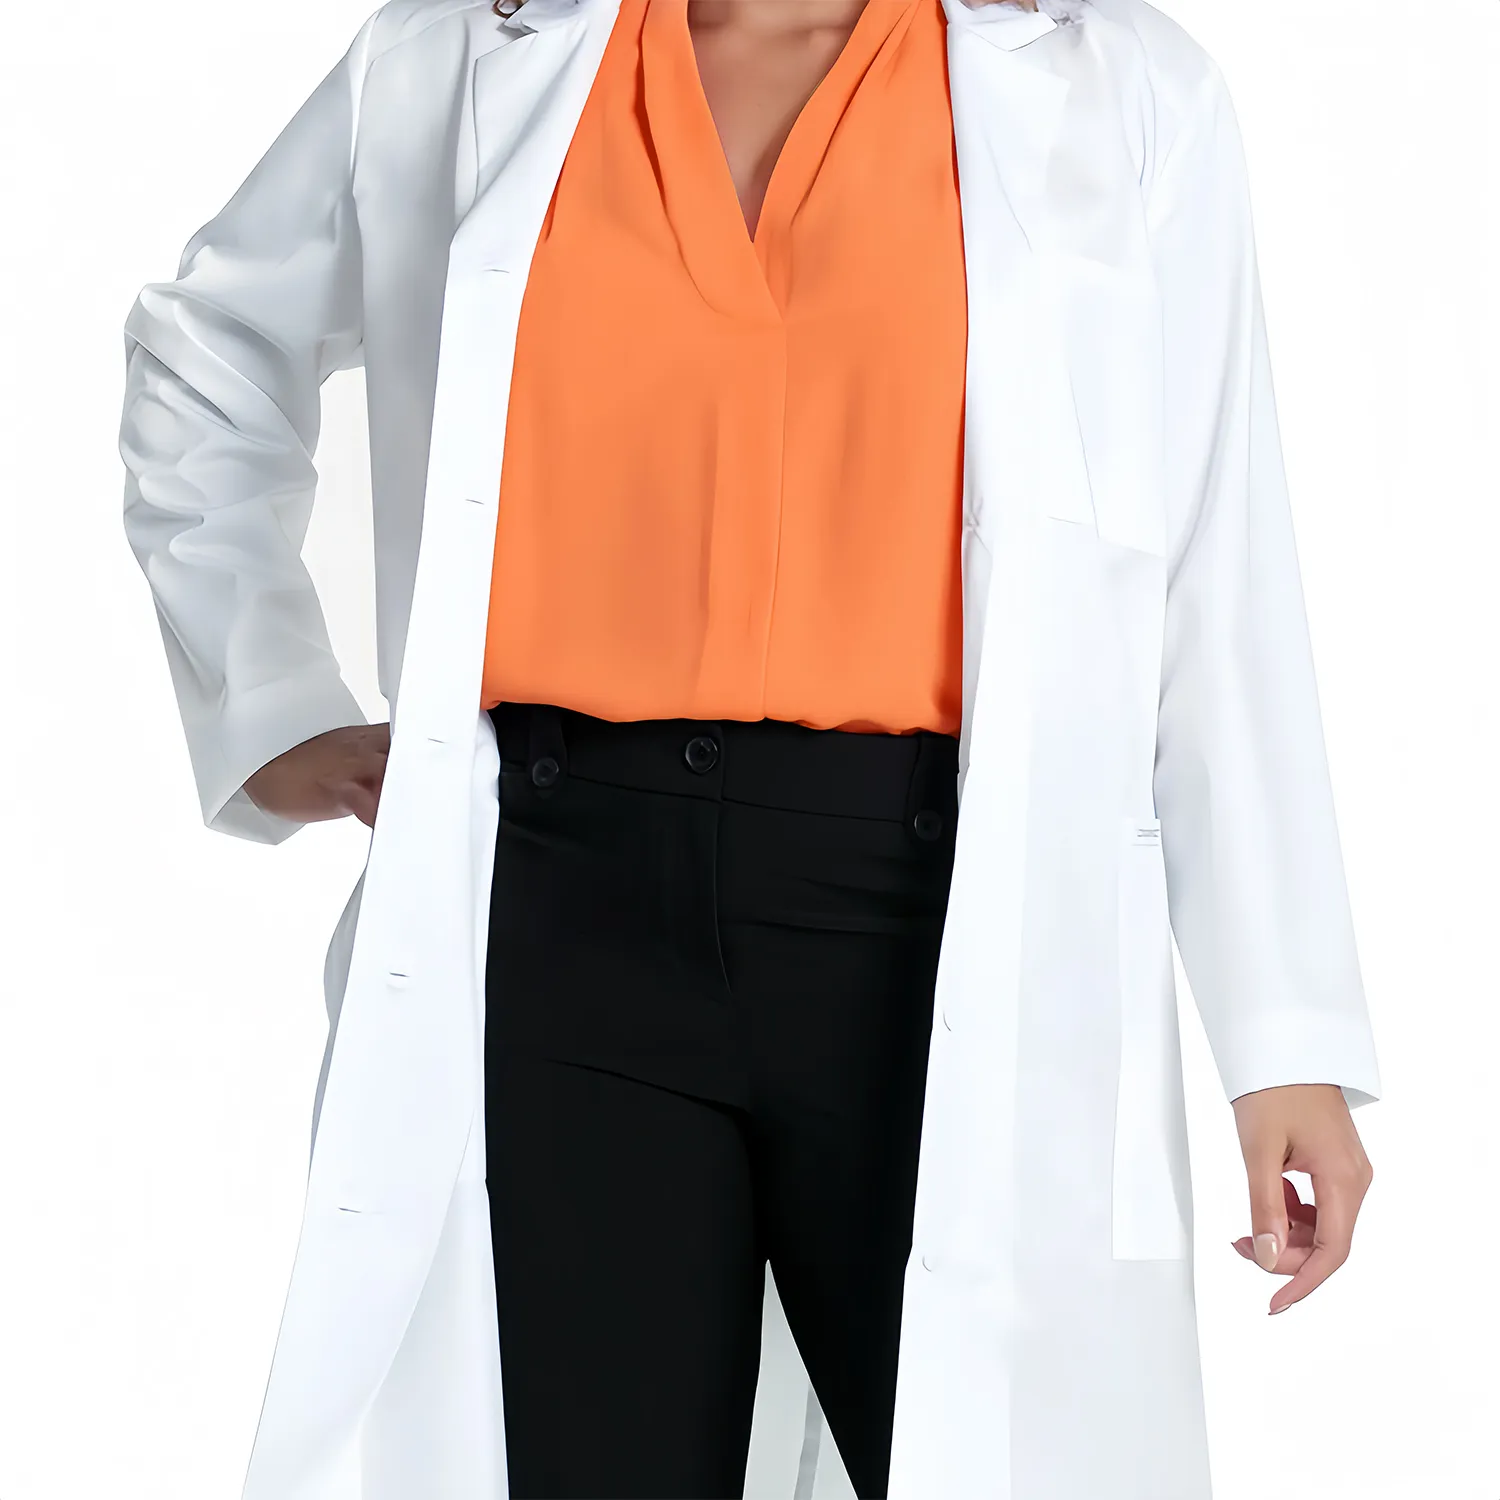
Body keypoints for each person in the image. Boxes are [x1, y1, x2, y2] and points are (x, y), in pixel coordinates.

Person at [118, 1, 1382, 1497]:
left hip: (932, 918)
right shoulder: (456, 58)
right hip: (561, 917)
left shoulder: (1127, 93)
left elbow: (1214, 553)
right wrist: (273, 699)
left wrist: (1283, 1035)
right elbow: (212, 348)